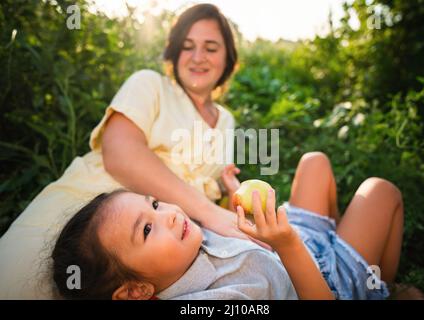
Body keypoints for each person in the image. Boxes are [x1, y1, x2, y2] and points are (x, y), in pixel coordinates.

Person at [0, 3, 260, 299]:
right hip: (86, 205)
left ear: (228, 58)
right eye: (187, 47)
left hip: (157, 252)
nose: (198, 57)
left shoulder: (227, 120)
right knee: (18, 286)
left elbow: (217, 211)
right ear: (174, 52)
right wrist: (207, 210)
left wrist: (228, 196)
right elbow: (120, 154)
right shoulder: (149, 84)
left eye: (211, 48)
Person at [51, 152, 403, 300]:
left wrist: (238, 198)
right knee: (382, 192)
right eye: (146, 229)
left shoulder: (183, 243)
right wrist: (288, 244)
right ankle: (377, 286)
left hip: (297, 241)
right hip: (321, 282)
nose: (170, 214)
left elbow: (233, 235)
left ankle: (344, 242)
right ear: (135, 291)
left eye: (155, 204)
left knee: (314, 162)